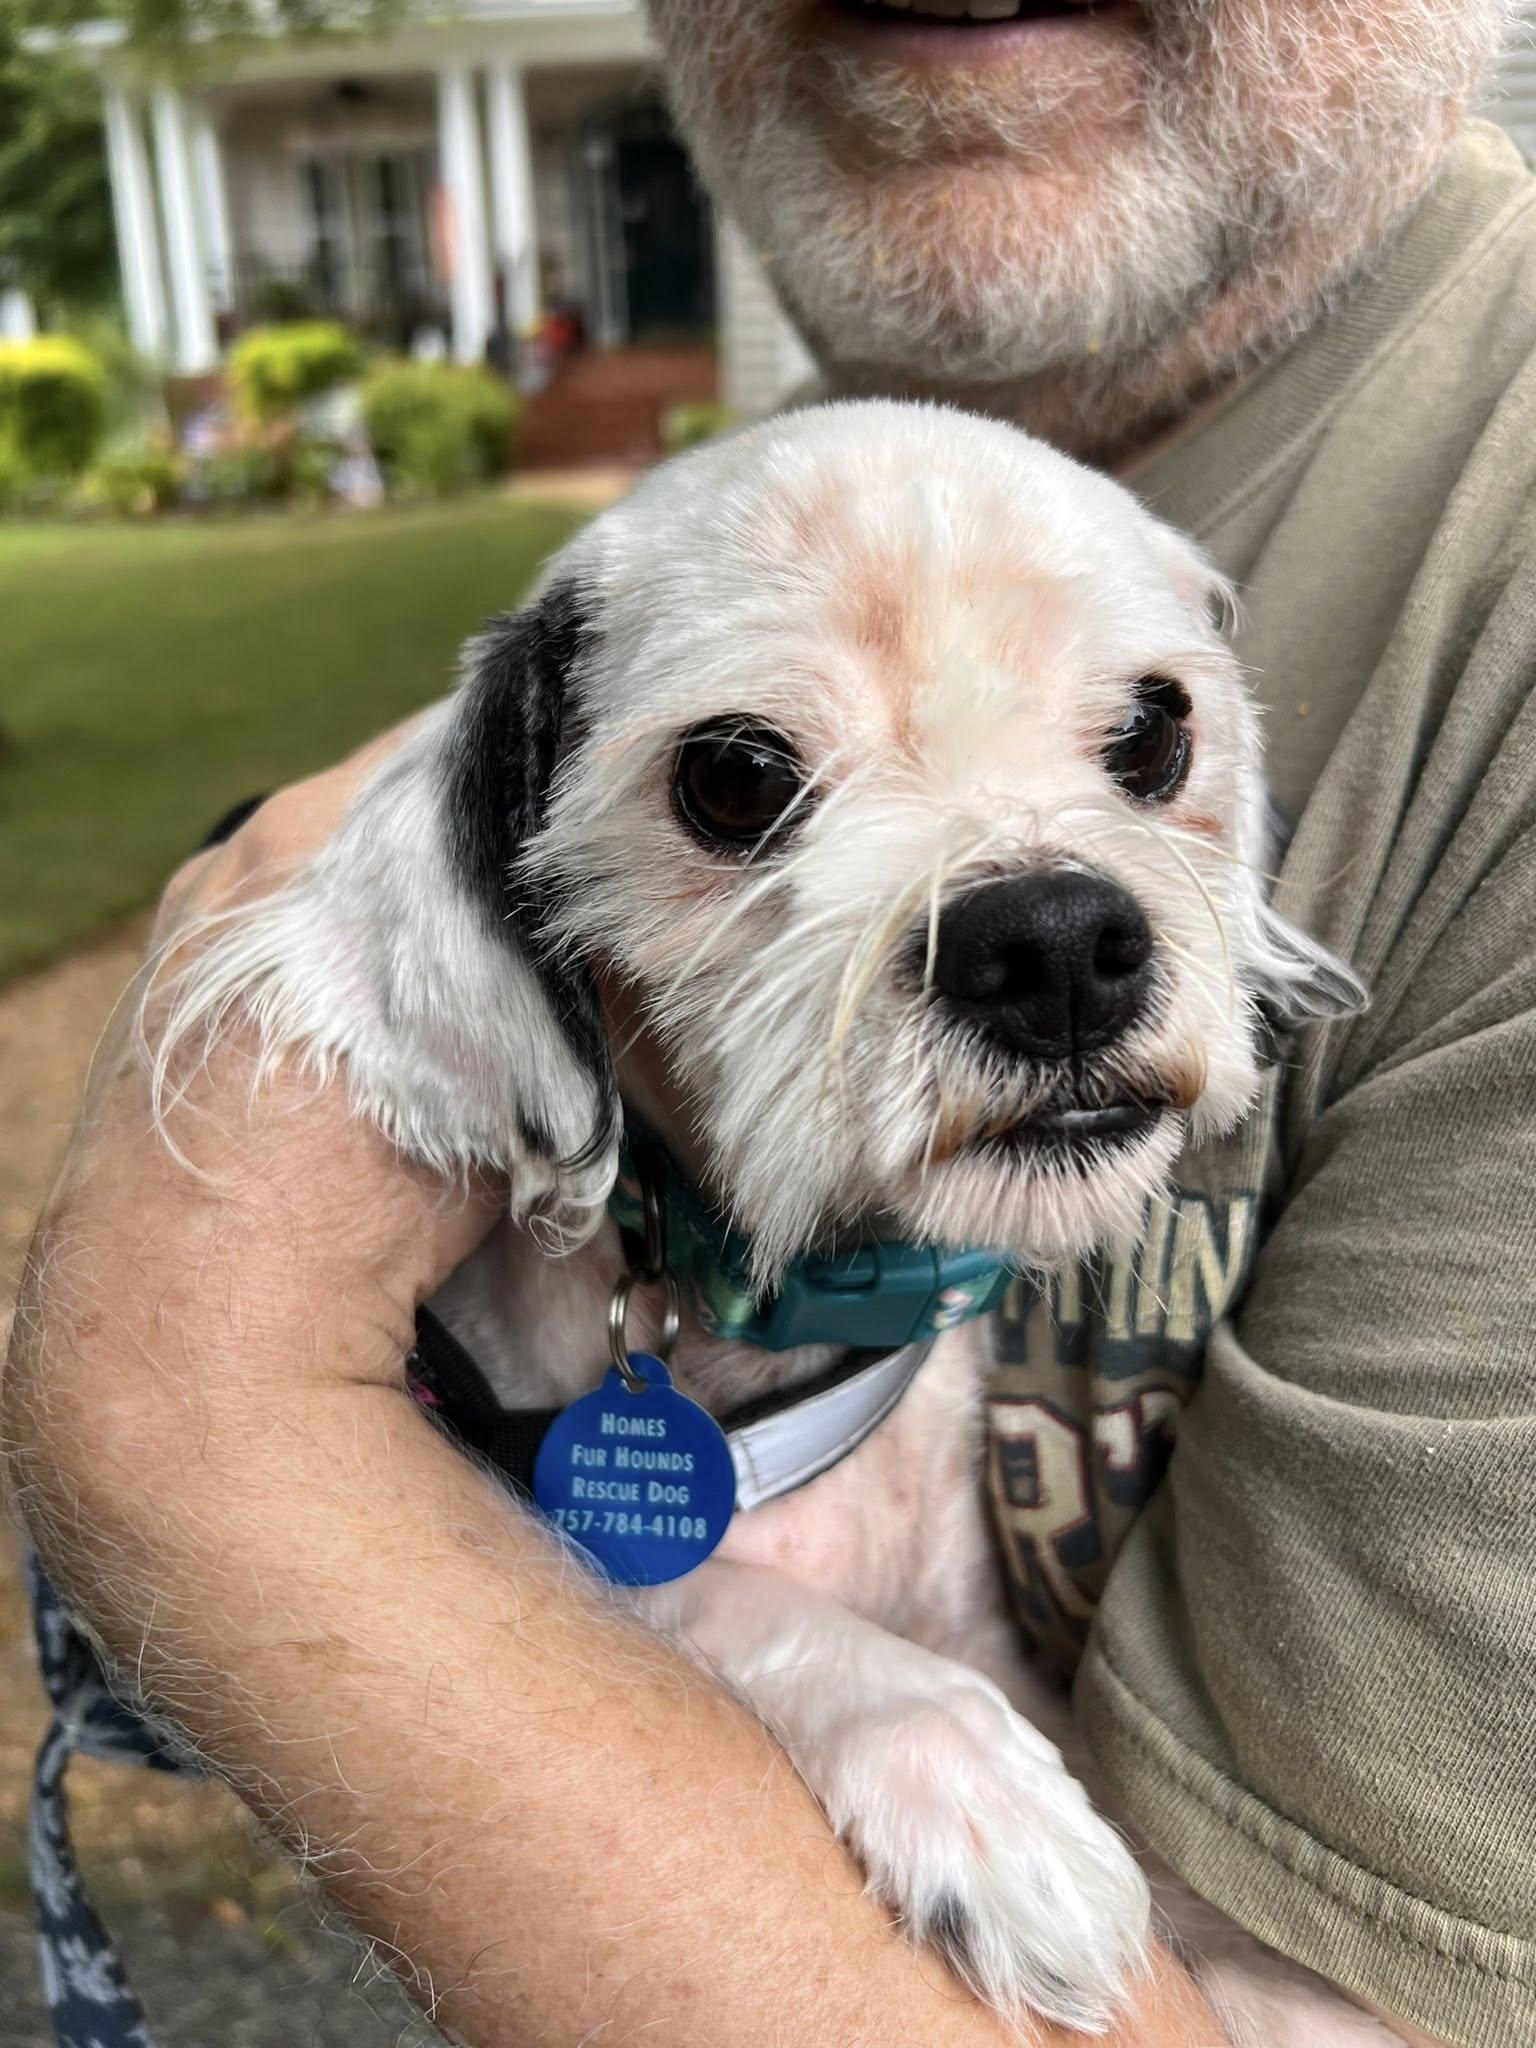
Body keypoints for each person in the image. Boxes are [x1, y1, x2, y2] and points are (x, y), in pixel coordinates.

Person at [6, 1, 1535, 2041]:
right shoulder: (800, 495)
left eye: (1144, 741)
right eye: (746, 782)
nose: (1058, 928)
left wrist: (196, 1414)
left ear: (1233, 787)